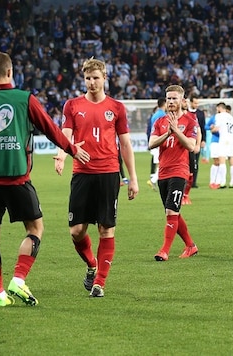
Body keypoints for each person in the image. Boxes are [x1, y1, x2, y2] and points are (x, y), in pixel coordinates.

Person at [0, 51, 90, 307]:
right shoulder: (24, 99)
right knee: (35, 228)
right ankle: (18, 279)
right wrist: (72, 149)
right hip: (17, 178)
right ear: (11, 71)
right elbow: (51, 129)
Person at [54, 57, 139, 298]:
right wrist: (61, 155)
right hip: (82, 173)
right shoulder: (72, 105)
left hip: (109, 173)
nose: (92, 82)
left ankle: (99, 282)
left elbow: (125, 144)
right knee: (76, 231)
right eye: (88, 78)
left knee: (106, 229)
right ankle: (92, 264)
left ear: (104, 79)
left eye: (96, 78)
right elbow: (65, 134)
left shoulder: (117, 107)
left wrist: (132, 177)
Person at [149, 85, 199, 261]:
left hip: (180, 171)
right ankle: (191, 246)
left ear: (182, 100)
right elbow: (151, 143)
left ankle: (164, 251)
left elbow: (192, 146)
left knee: (171, 212)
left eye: (174, 98)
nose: (171, 101)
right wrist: (167, 133)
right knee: (173, 212)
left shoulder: (191, 121)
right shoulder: (159, 122)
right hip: (163, 172)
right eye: (168, 98)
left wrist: (176, 131)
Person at [212, 102, 233, 188]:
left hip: (224, 139)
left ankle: (223, 182)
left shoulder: (219, 116)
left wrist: (212, 129)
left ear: (219, 108)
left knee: (222, 159)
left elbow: (216, 128)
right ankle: (232, 182)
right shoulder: (230, 116)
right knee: (232, 159)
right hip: (232, 139)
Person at [182, 97, 202, 205]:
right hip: (178, 150)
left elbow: (198, 131)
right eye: (183, 101)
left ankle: (186, 195)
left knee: (191, 172)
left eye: (186, 101)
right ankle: (179, 195)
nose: (185, 103)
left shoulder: (192, 116)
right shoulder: (173, 116)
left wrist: (197, 145)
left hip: (189, 148)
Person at [147, 98, 166, 191]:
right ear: (164, 104)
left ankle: (154, 179)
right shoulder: (162, 115)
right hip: (159, 141)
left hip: (154, 140)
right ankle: (153, 180)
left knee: (160, 163)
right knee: (162, 163)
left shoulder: (155, 115)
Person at [188, 94, 206, 188]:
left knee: (195, 163)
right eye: (195, 103)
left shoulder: (200, 113)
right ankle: (186, 181)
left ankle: (193, 182)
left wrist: (203, 140)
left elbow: (203, 128)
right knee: (187, 162)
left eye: (197, 103)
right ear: (190, 102)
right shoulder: (185, 112)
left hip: (197, 141)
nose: (197, 104)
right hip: (187, 141)